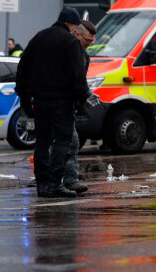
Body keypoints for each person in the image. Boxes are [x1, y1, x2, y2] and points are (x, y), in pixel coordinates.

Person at [16, 7, 92, 198]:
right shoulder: (70, 42)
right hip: (61, 101)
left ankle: (42, 185)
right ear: (69, 24)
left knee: (42, 141)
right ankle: (54, 184)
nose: (76, 31)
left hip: (40, 101)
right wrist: (82, 98)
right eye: (75, 27)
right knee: (62, 141)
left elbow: (22, 68)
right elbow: (77, 74)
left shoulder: (38, 38)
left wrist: (25, 98)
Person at [62, 19, 97, 194]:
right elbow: (73, 80)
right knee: (71, 141)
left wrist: (86, 94)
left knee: (64, 142)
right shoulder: (70, 51)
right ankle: (68, 179)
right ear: (78, 34)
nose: (89, 44)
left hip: (68, 104)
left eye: (92, 41)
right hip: (61, 103)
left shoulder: (84, 55)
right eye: (87, 40)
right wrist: (85, 95)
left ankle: (63, 177)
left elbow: (80, 81)